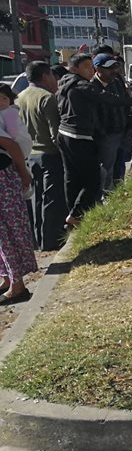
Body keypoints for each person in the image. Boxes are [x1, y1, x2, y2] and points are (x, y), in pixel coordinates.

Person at [57, 52, 122, 226]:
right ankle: (76, 214)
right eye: (86, 67)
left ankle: (73, 215)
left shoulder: (64, 83)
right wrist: (127, 99)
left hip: (64, 134)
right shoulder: (81, 85)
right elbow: (104, 98)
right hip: (78, 136)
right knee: (94, 179)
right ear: (74, 68)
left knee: (72, 177)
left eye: (91, 66)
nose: (90, 71)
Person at [16, 62, 66, 250]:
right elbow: (56, 133)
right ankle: (50, 241)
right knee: (51, 199)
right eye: (52, 76)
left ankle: (37, 239)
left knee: (36, 199)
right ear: (45, 76)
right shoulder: (47, 98)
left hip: (29, 155)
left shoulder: (19, 98)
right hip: (49, 154)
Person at [0, 109, 36, 305]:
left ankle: (18, 286)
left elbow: (11, 146)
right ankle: (7, 279)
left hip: (3, 181)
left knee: (7, 234)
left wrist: (24, 173)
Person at [91, 53, 132, 195]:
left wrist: (129, 125)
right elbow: (94, 114)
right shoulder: (92, 86)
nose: (114, 71)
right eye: (109, 68)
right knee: (106, 167)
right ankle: (105, 195)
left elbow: (126, 103)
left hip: (122, 131)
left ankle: (119, 192)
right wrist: (103, 132)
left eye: (115, 67)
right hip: (106, 135)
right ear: (98, 69)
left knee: (120, 164)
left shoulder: (117, 82)